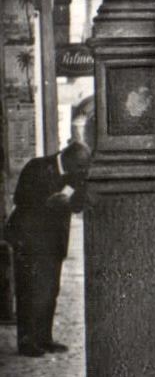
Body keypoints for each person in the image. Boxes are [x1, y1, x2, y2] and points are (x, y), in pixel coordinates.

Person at [6, 141, 90, 357]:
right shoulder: (37, 167)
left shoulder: (76, 173)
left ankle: (44, 338)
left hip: (53, 241)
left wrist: (71, 202)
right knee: (29, 290)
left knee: (50, 290)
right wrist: (47, 204)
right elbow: (20, 199)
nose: (82, 171)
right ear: (68, 158)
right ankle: (27, 342)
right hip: (29, 238)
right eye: (80, 166)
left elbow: (79, 205)